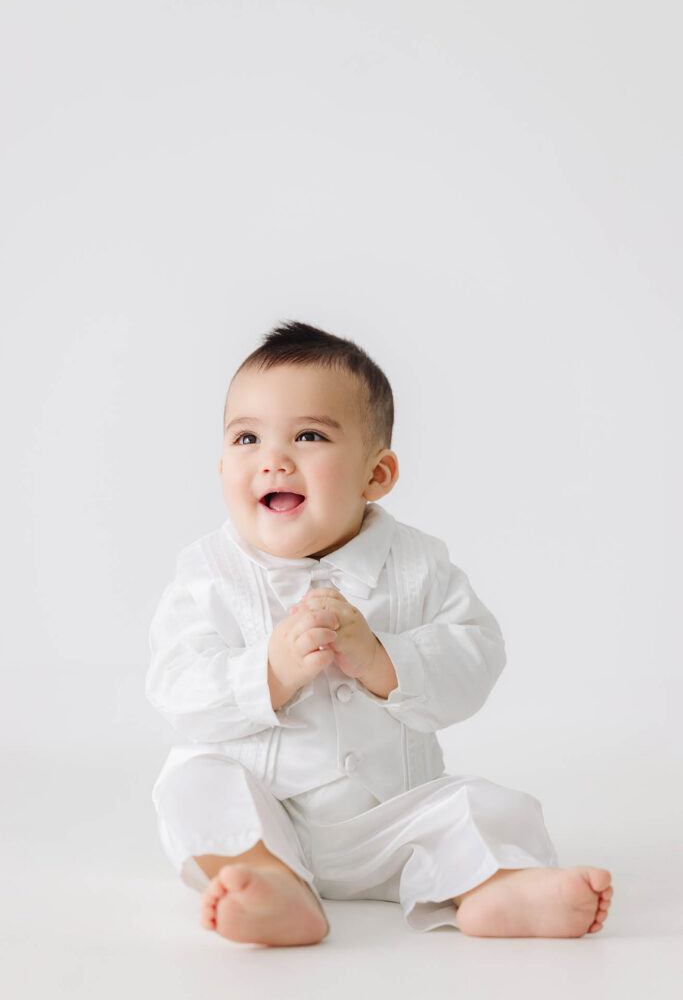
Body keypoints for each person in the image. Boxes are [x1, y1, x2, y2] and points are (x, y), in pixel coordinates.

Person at [145, 320, 613, 947]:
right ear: (223, 463)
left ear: (378, 475)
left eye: (309, 435)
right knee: (190, 780)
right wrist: (270, 673)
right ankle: (270, 882)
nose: (273, 458)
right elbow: (176, 684)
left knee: (482, 804)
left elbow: (477, 654)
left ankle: (494, 887)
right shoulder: (211, 572)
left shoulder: (417, 564)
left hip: (397, 818)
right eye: (248, 437)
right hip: (270, 812)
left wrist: (384, 660)